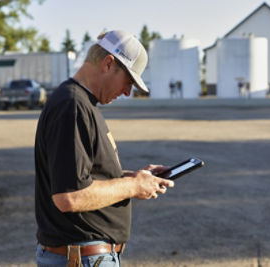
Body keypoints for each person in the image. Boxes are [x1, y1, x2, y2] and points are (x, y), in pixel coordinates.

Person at [34, 30, 175, 267]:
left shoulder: (80, 104)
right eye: (128, 81)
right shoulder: (73, 106)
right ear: (109, 63)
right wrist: (132, 186)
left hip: (85, 257)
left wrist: (136, 178)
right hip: (82, 259)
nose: (127, 92)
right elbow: (69, 196)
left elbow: (84, 177)